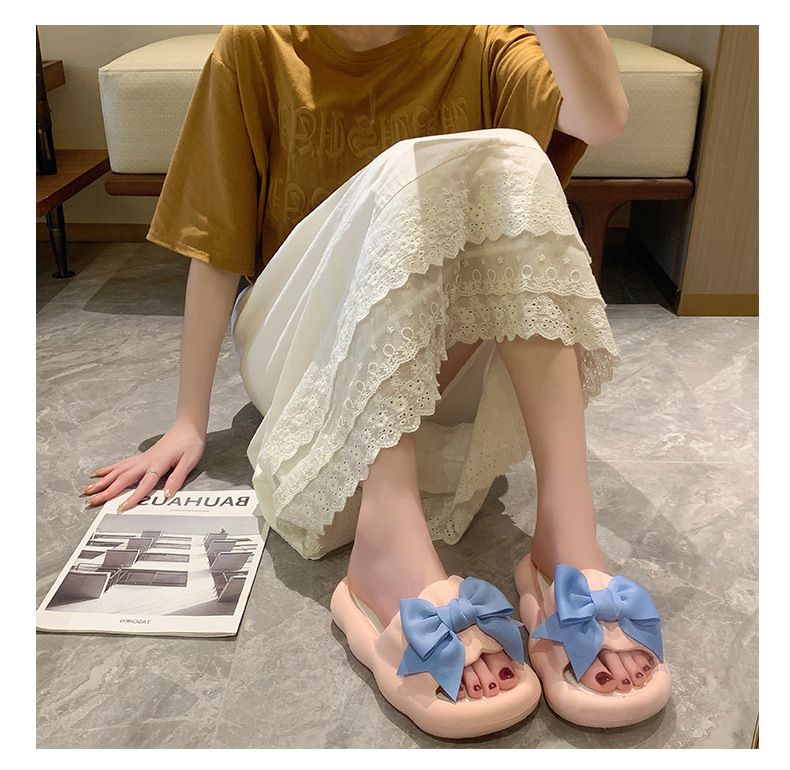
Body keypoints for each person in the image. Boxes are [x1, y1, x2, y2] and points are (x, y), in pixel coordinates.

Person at [81, 26, 670, 736]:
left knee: (517, 155)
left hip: (445, 362)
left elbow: (601, 118)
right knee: (406, 173)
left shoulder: (484, 37)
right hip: (301, 358)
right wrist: (188, 416)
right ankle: (387, 541)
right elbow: (216, 245)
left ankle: (565, 544)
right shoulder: (258, 45)